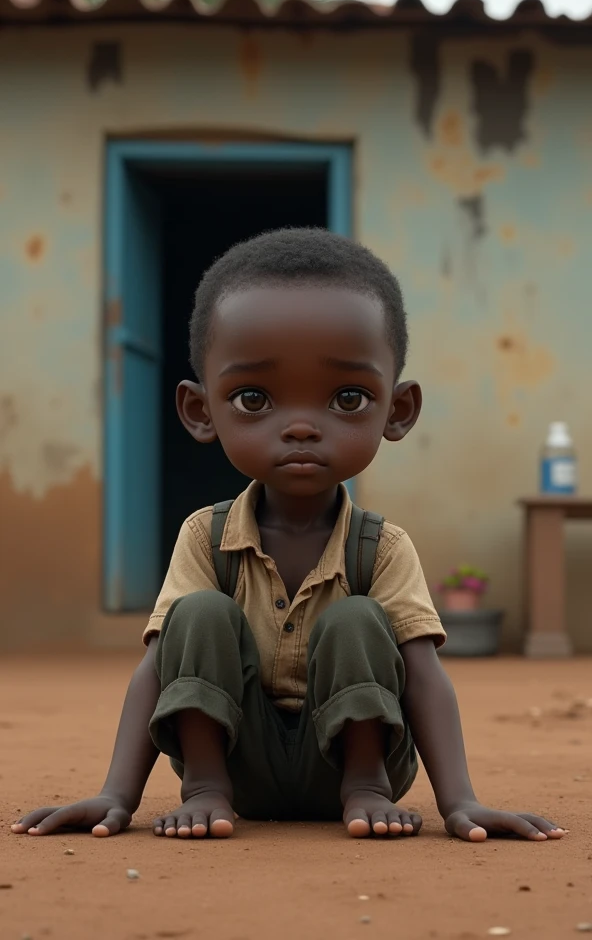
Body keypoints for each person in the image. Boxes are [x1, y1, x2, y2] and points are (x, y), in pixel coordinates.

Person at [13, 228, 565, 844]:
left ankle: (365, 786)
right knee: (194, 615)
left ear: (398, 410)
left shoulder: (382, 548)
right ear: (200, 411)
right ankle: (203, 786)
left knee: (357, 617)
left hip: (361, 769)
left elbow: (424, 673)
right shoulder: (206, 535)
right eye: (254, 398)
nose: (301, 426)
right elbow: (156, 666)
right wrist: (117, 793)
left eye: (347, 397)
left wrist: (460, 801)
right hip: (236, 770)